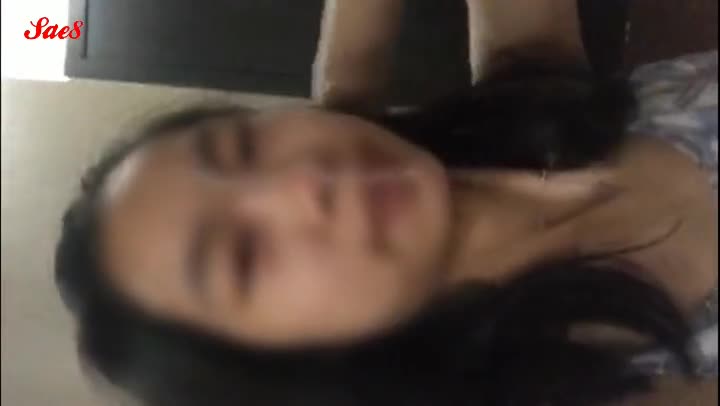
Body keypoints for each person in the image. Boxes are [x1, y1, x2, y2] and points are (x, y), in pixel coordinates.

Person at [55, 1, 718, 405]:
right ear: (286, 369)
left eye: (244, 147)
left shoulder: (527, 105)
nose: (301, 184)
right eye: (246, 255)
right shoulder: (591, 384)